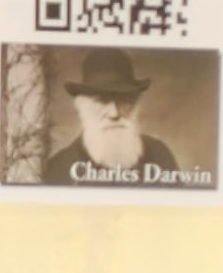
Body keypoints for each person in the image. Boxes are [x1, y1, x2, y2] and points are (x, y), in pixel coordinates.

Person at [48, 49, 180, 183]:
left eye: (123, 100)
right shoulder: (58, 169)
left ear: (136, 104)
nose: (114, 113)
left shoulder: (160, 156)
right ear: (82, 106)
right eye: (101, 101)